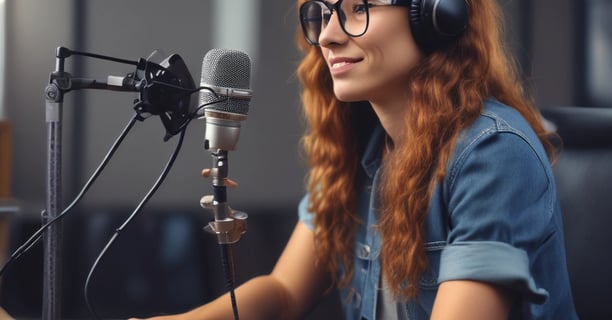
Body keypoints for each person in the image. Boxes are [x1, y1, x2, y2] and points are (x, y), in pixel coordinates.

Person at [133, 0, 578, 319]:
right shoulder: (357, 151)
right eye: (324, 12)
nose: (328, 35)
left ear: (438, 14)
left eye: (358, 8)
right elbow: (284, 293)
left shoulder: (493, 153)